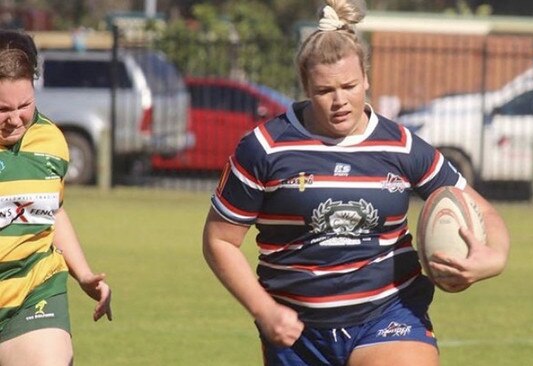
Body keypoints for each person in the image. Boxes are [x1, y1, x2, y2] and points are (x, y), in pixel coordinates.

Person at [202, 0, 510, 365]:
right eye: (324, 90)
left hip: (389, 314)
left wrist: (494, 258)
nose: (339, 101)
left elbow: (478, 206)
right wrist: (264, 310)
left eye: (349, 85)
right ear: (305, 88)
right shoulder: (265, 148)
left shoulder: (401, 145)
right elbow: (220, 240)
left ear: (366, 78)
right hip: (296, 329)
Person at [0, 30, 112, 365]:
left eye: (25, 106)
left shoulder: (50, 141)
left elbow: (51, 211)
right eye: (2, 109)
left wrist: (84, 274)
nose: (16, 118)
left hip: (35, 290)